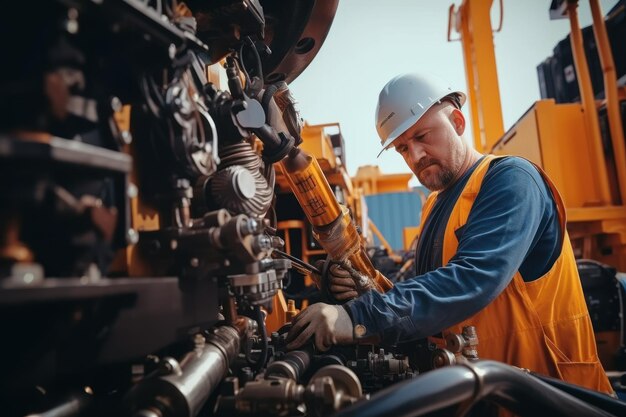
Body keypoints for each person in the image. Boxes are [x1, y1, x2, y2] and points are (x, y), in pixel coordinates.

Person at [286, 72, 613, 394]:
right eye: (402, 148)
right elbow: (436, 306)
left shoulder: (511, 179)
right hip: (482, 393)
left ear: (457, 122)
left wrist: (357, 316)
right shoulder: (434, 206)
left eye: (422, 136)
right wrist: (363, 293)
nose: (414, 156)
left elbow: (473, 279)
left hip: (549, 395)